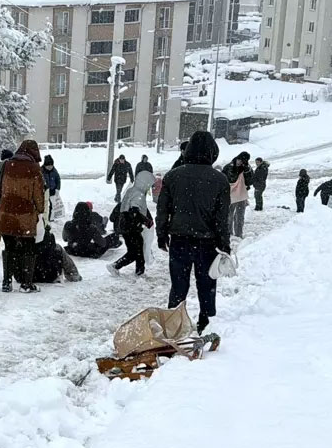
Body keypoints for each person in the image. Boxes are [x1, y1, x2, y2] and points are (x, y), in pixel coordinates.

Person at [156, 130, 231, 334]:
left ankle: (174, 326)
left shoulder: (173, 176)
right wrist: (225, 244)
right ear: (212, 152)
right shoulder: (220, 180)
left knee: (178, 286)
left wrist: (161, 234)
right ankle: (205, 325)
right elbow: (222, 218)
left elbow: (163, 208)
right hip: (208, 243)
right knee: (207, 285)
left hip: (179, 240)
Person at [0, 140, 46, 293]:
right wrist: (40, 210)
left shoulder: (7, 165)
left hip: (6, 213)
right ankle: (26, 283)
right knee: (28, 249)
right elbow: (38, 194)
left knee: (9, 247)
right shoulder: (34, 168)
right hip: (25, 214)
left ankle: (6, 282)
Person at [107, 171, 156, 276]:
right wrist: (145, 221)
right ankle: (119, 267)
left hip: (126, 227)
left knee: (135, 251)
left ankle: (137, 271)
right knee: (137, 251)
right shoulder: (138, 194)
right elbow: (135, 211)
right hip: (132, 227)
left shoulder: (131, 191)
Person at [223, 152, 252, 238]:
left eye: (242, 161)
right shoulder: (228, 167)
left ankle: (238, 234)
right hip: (230, 195)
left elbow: (250, 181)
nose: (240, 162)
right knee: (229, 216)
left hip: (241, 195)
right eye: (239, 160)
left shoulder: (246, 168)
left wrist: (246, 169)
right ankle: (229, 234)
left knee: (240, 216)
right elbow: (225, 180)